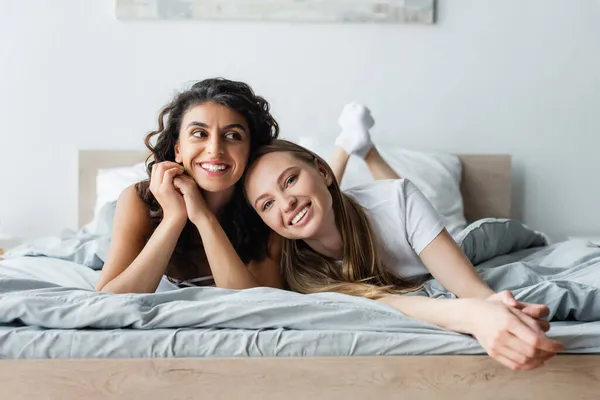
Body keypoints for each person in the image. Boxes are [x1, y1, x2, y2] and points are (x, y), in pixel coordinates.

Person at [242, 103, 564, 371]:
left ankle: (358, 149)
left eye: (291, 179)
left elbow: (471, 290)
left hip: (418, 224)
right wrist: (474, 316)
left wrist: (492, 307)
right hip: (354, 211)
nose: (285, 203)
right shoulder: (295, 270)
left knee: (395, 204)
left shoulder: (396, 199)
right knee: (328, 207)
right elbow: (384, 302)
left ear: (323, 172)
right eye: (267, 203)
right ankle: (350, 146)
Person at [96, 78, 284, 293]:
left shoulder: (267, 206)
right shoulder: (138, 199)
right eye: (199, 134)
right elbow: (109, 300)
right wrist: (174, 218)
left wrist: (203, 218)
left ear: (250, 150)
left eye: (232, 136)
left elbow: (261, 306)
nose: (215, 149)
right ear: (178, 149)